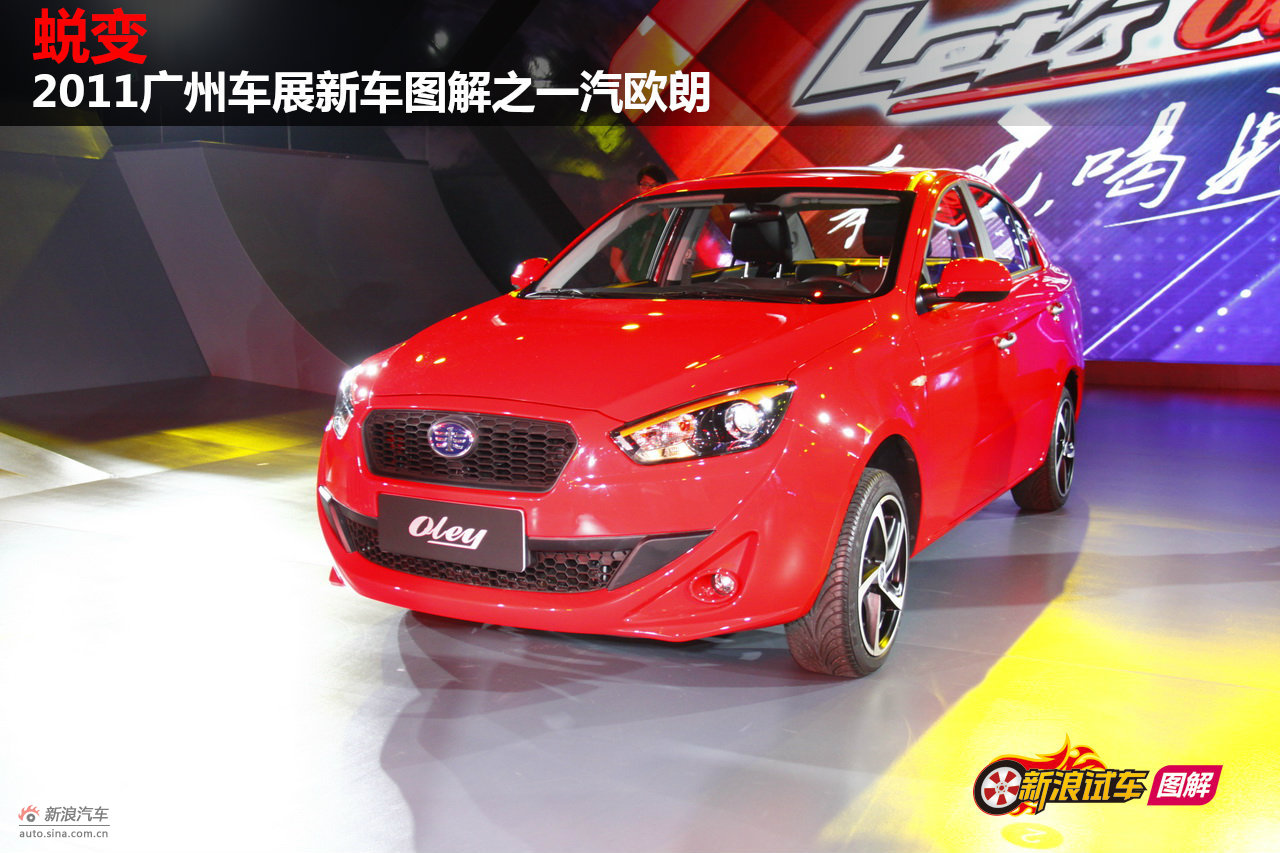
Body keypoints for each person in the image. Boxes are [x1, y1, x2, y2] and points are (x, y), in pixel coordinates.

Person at [609, 164, 670, 282]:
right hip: (634, 284)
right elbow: (615, 259)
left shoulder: (670, 216)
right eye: (645, 185)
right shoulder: (630, 217)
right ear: (638, 187)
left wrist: (667, 216)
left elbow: (680, 247)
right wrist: (629, 285)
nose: (649, 190)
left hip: (662, 283)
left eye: (655, 186)